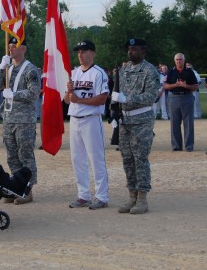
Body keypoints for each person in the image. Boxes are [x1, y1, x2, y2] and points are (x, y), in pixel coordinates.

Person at [112, 38, 160, 215]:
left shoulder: (150, 70)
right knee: (127, 159)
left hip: (142, 120)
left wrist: (128, 100)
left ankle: (142, 198)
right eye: (129, 49)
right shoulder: (124, 71)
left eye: (134, 49)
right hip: (125, 122)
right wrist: (115, 109)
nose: (130, 52)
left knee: (140, 159)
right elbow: (117, 94)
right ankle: (131, 195)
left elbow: (150, 96)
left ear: (143, 51)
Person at [0, 37, 40, 204]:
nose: (11, 48)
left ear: (23, 49)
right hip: (8, 118)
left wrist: (14, 94)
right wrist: (0, 67)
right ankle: (16, 187)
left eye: (15, 46)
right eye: (10, 46)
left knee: (25, 154)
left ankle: (27, 190)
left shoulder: (30, 70)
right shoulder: (8, 68)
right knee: (12, 155)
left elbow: (34, 93)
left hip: (24, 120)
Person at [64, 40, 110, 210]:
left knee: (96, 158)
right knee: (77, 159)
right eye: (78, 52)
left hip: (91, 119)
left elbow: (102, 98)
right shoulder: (73, 73)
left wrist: (79, 100)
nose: (80, 55)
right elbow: (66, 100)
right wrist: (69, 92)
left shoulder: (99, 73)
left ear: (92, 53)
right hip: (74, 119)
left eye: (84, 51)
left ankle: (101, 196)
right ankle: (83, 195)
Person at [163, 54, 198, 151]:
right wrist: (175, 84)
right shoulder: (171, 72)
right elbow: (165, 86)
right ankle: (176, 146)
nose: (179, 61)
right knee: (174, 123)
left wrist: (186, 86)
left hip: (187, 97)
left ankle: (189, 146)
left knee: (188, 123)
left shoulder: (190, 72)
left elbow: (196, 87)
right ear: (175, 61)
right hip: (173, 98)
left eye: (180, 59)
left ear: (184, 60)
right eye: (177, 59)